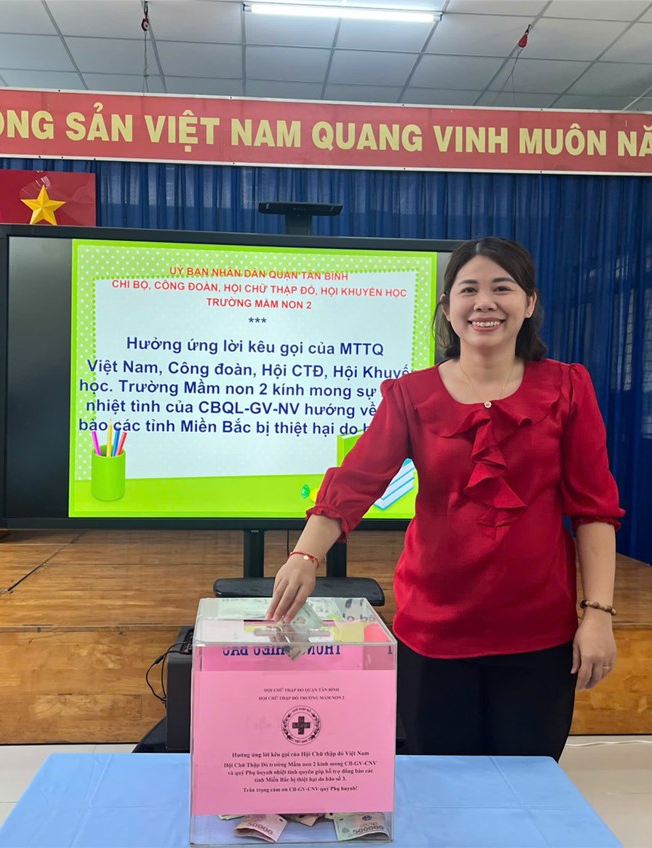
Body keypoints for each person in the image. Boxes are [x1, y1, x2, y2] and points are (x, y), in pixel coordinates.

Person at [267, 237, 623, 761]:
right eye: (468, 289)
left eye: (502, 288)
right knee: (442, 784)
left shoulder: (567, 387)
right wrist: (305, 555)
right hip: (434, 629)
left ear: (529, 303)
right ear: (448, 307)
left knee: (527, 785)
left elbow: (594, 509)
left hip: (538, 630)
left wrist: (598, 614)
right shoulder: (412, 395)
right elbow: (357, 481)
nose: (485, 303)